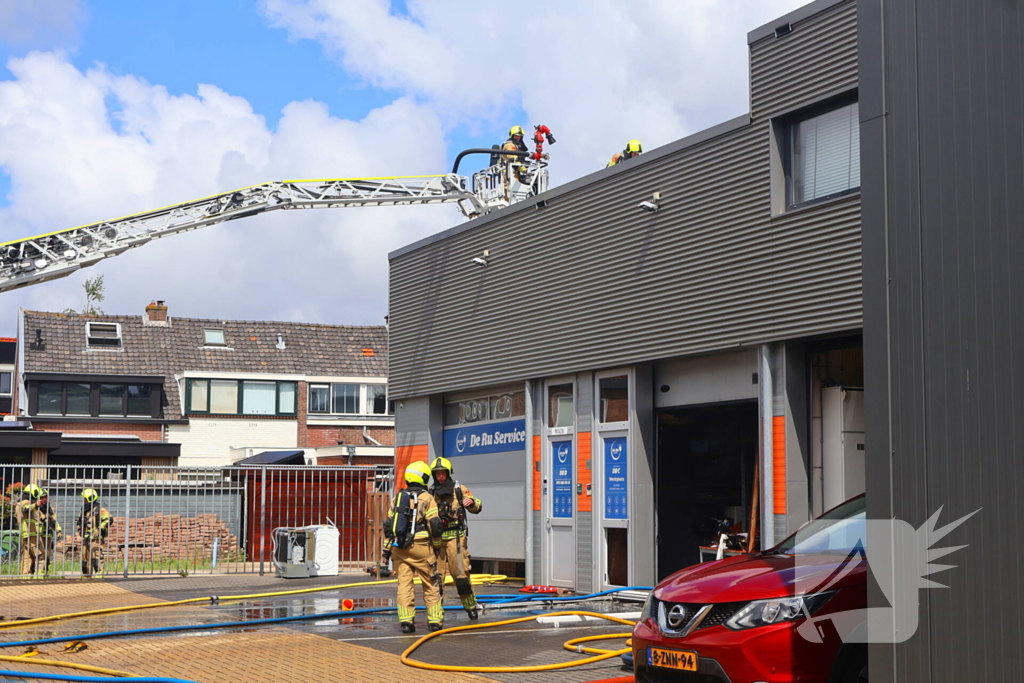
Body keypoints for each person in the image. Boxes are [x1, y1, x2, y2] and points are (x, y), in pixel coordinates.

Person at [382, 460, 444, 633]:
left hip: (399, 548)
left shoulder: (397, 499)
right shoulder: (427, 498)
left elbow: (390, 528)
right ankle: (435, 621)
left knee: (404, 586)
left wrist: (386, 551)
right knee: (431, 584)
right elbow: (435, 525)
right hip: (422, 547)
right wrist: (437, 547)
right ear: (423, 477)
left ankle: (406, 622)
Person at [429, 457, 482, 621]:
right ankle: (436, 614)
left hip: (456, 539)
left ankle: (471, 607)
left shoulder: (459, 489)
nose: (441, 477)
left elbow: (477, 507)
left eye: (443, 473)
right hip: (436, 541)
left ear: (448, 473)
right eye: (437, 474)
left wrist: (471, 502)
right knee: (436, 578)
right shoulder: (430, 493)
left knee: (461, 576)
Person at [77, 488, 111, 576]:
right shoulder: (84, 510)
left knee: (96, 555)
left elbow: (109, 519)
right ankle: (86, 574)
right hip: (86, 537)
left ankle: (99, 573)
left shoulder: (99, 509)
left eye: (84, 499)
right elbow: (79, 522)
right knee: (85, 557)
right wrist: (80, 529)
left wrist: (99, 528)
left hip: (96, 538)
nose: (83, 501)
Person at [15, 484, 47, 575]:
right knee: (40, 555)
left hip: (25, 534)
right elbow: (27, 508)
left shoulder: (19, 502)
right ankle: (40, 575)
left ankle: (26, 575)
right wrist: (35, 505)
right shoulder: (25, 502)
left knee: (27, 556)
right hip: (31, 533)